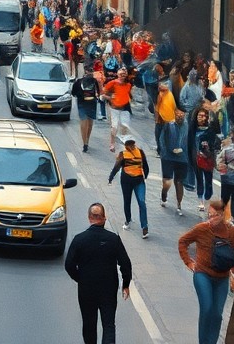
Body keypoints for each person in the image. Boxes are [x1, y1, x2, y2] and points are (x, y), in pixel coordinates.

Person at [178, 197, 234, 344]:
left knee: (217, 315)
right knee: (207, 308)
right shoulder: (202, 228)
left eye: (215, 215)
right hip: (202, 274)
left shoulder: (233, 233)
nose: (211, 218)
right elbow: (183, 241)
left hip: (222, 278)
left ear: (222, 215)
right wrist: (189, 262)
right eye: (209, 215)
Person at [64, 202, 132, 344]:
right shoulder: (113, 239)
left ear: (89, 217)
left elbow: (69, 265)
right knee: (109, 324)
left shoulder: (79, 239)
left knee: (89, 324)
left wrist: (80, 279)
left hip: (87, 289)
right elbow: (125, 264)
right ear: (104, 218)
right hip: (108, 289)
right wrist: (125, 284)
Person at [108, 135, 150, 238]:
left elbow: (145, 166)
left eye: (132, 144)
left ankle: (145, 227)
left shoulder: (140, 152)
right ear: (125, 145)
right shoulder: (123, 154)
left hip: (139, 181)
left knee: (142, 202)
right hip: (126, 182)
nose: (131, 146)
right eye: (128, 144)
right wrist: (111, 177)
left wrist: (145, 177)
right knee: (127, 201)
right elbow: (117, 166)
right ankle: (128, 220)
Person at [159, 109, 190, 216]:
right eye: (178, 114)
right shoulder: (168, 125)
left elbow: (190, 142)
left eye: (182, 114)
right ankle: (164, 195)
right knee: (167, 181)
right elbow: (162, 140)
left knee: (179, 181)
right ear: (175, 114)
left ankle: (179, 204)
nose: (180, 116)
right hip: (168, 157)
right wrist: (165, 152)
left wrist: (185, 152)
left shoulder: (188, 127)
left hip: (183, 158)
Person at [100, 70, 133, 154]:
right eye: (121, 74)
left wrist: (129, 99)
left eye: (124, 74)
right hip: (114, 108)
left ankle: (125, 144)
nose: (123, 76)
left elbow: (129, 94)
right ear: (118, 75)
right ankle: (112, 144)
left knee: (125, 126)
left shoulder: (128, 84)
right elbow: (103, 94)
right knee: (114, 127)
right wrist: (111, 97)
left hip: (125, 108)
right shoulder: (112, 83)